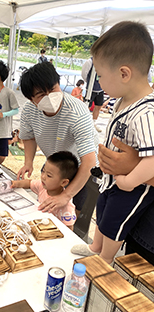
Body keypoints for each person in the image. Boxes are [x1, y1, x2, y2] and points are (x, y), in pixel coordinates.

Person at [71, 21, 154, 265]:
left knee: (116, 220)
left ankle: (105, 258)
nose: (98, 82)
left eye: (100, 75)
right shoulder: (124, 100)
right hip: (112, 177)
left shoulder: (147, 112)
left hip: (133, 186)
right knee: (103, 207)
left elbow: (152, 158)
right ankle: (96, 247)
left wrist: (130, 180)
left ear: (124, 74)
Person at [18, 62, 97, 217]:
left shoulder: (77, 112)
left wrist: (66, 195)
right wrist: (28, 162)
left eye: (53, 89)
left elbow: (89, 161)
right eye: (41, 95)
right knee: (49, 201)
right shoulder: (29, 110)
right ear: (32, 99)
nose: (50, 97)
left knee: (74, 210)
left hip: (82, 166)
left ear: (59, 84)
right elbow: (28, 137)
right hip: (55, 162)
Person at [12, 151, 78, 229]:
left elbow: (69, 229)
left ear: (63, 182)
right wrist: (15, 184)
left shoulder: (66, 206)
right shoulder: (42, 186)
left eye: (49, 175)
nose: (43, 176)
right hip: (37, 225)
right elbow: (29, 183)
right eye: (43, 171)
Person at [82, 57, 104, 132]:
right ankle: (84, 123)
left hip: (100, 88)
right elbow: (84, 74)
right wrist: (89, 83)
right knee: (87, 106)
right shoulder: (90, 62)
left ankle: (94, 123)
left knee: (98, 106)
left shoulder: (105, 61)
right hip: (91, 89)